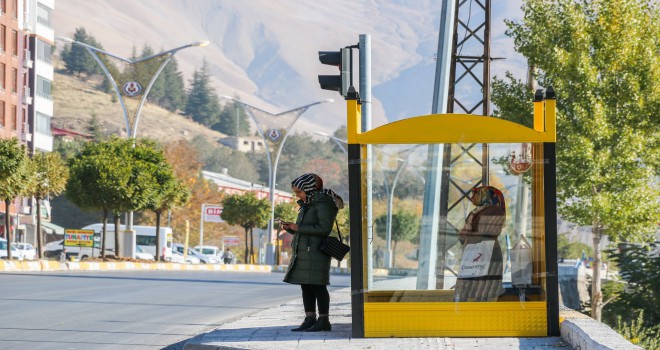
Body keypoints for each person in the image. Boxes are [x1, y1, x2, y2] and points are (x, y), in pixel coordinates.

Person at [281, 173, 344, 332]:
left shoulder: (324, 204)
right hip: (305, 251)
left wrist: (298, 228)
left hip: (316, 251)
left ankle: (324, 320)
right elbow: (306, 230)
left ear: (309, 189)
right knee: (306, 286)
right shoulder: (307, 204)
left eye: (299, 191)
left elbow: (324, 229)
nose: (297, 195)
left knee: (318, 286)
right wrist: (292, 229)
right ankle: (309, 319)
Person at [454, 185, 506, 302]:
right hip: (474, 250)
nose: (473, 197)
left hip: (487, 252)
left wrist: (469, 234)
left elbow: (490, 231)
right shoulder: (478, 210)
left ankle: (481, 313)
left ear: (486, 195)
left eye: (476, 194)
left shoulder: (495, 211)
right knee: (469, 284)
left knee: (483, 288)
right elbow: (470, 230)